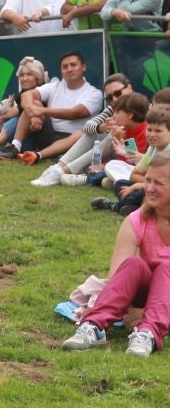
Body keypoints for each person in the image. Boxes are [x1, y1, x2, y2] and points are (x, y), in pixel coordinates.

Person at [62, 152, 170, 357]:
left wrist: (151, 311)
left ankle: (148, 332)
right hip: (146, 293)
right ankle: (93, 326)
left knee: (167, 267)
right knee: (132, 264)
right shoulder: (137, 219)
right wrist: (137, 308)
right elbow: (118, 277)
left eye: (159, 183)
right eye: (148, 181)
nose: (149, 188)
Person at [0, 49, 103, 164]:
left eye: (73, 65)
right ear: (61, 70)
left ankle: (38, 155)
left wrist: (41, 111)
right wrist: (33, 112)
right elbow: (27, 94)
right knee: (33, 103)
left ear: (83, 67)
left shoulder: (94, 93)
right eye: (65, 66)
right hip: (47, 134)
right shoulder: (54, 86)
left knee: (81, 134)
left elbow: (75, 113)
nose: (69, 69)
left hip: (73, 138)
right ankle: (14, 148)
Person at [32, 87, 147, 190]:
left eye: (117, 112)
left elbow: (134, 163)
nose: (113, 115)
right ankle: (59, 168)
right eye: (109, 97)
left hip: (134, 171)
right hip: (117, 165)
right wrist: (102, 127)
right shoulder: (125, 126)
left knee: (109, 163)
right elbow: (87, 128)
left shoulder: (145, 129)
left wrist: (120, 139)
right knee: (94, 133)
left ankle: (81, 176)